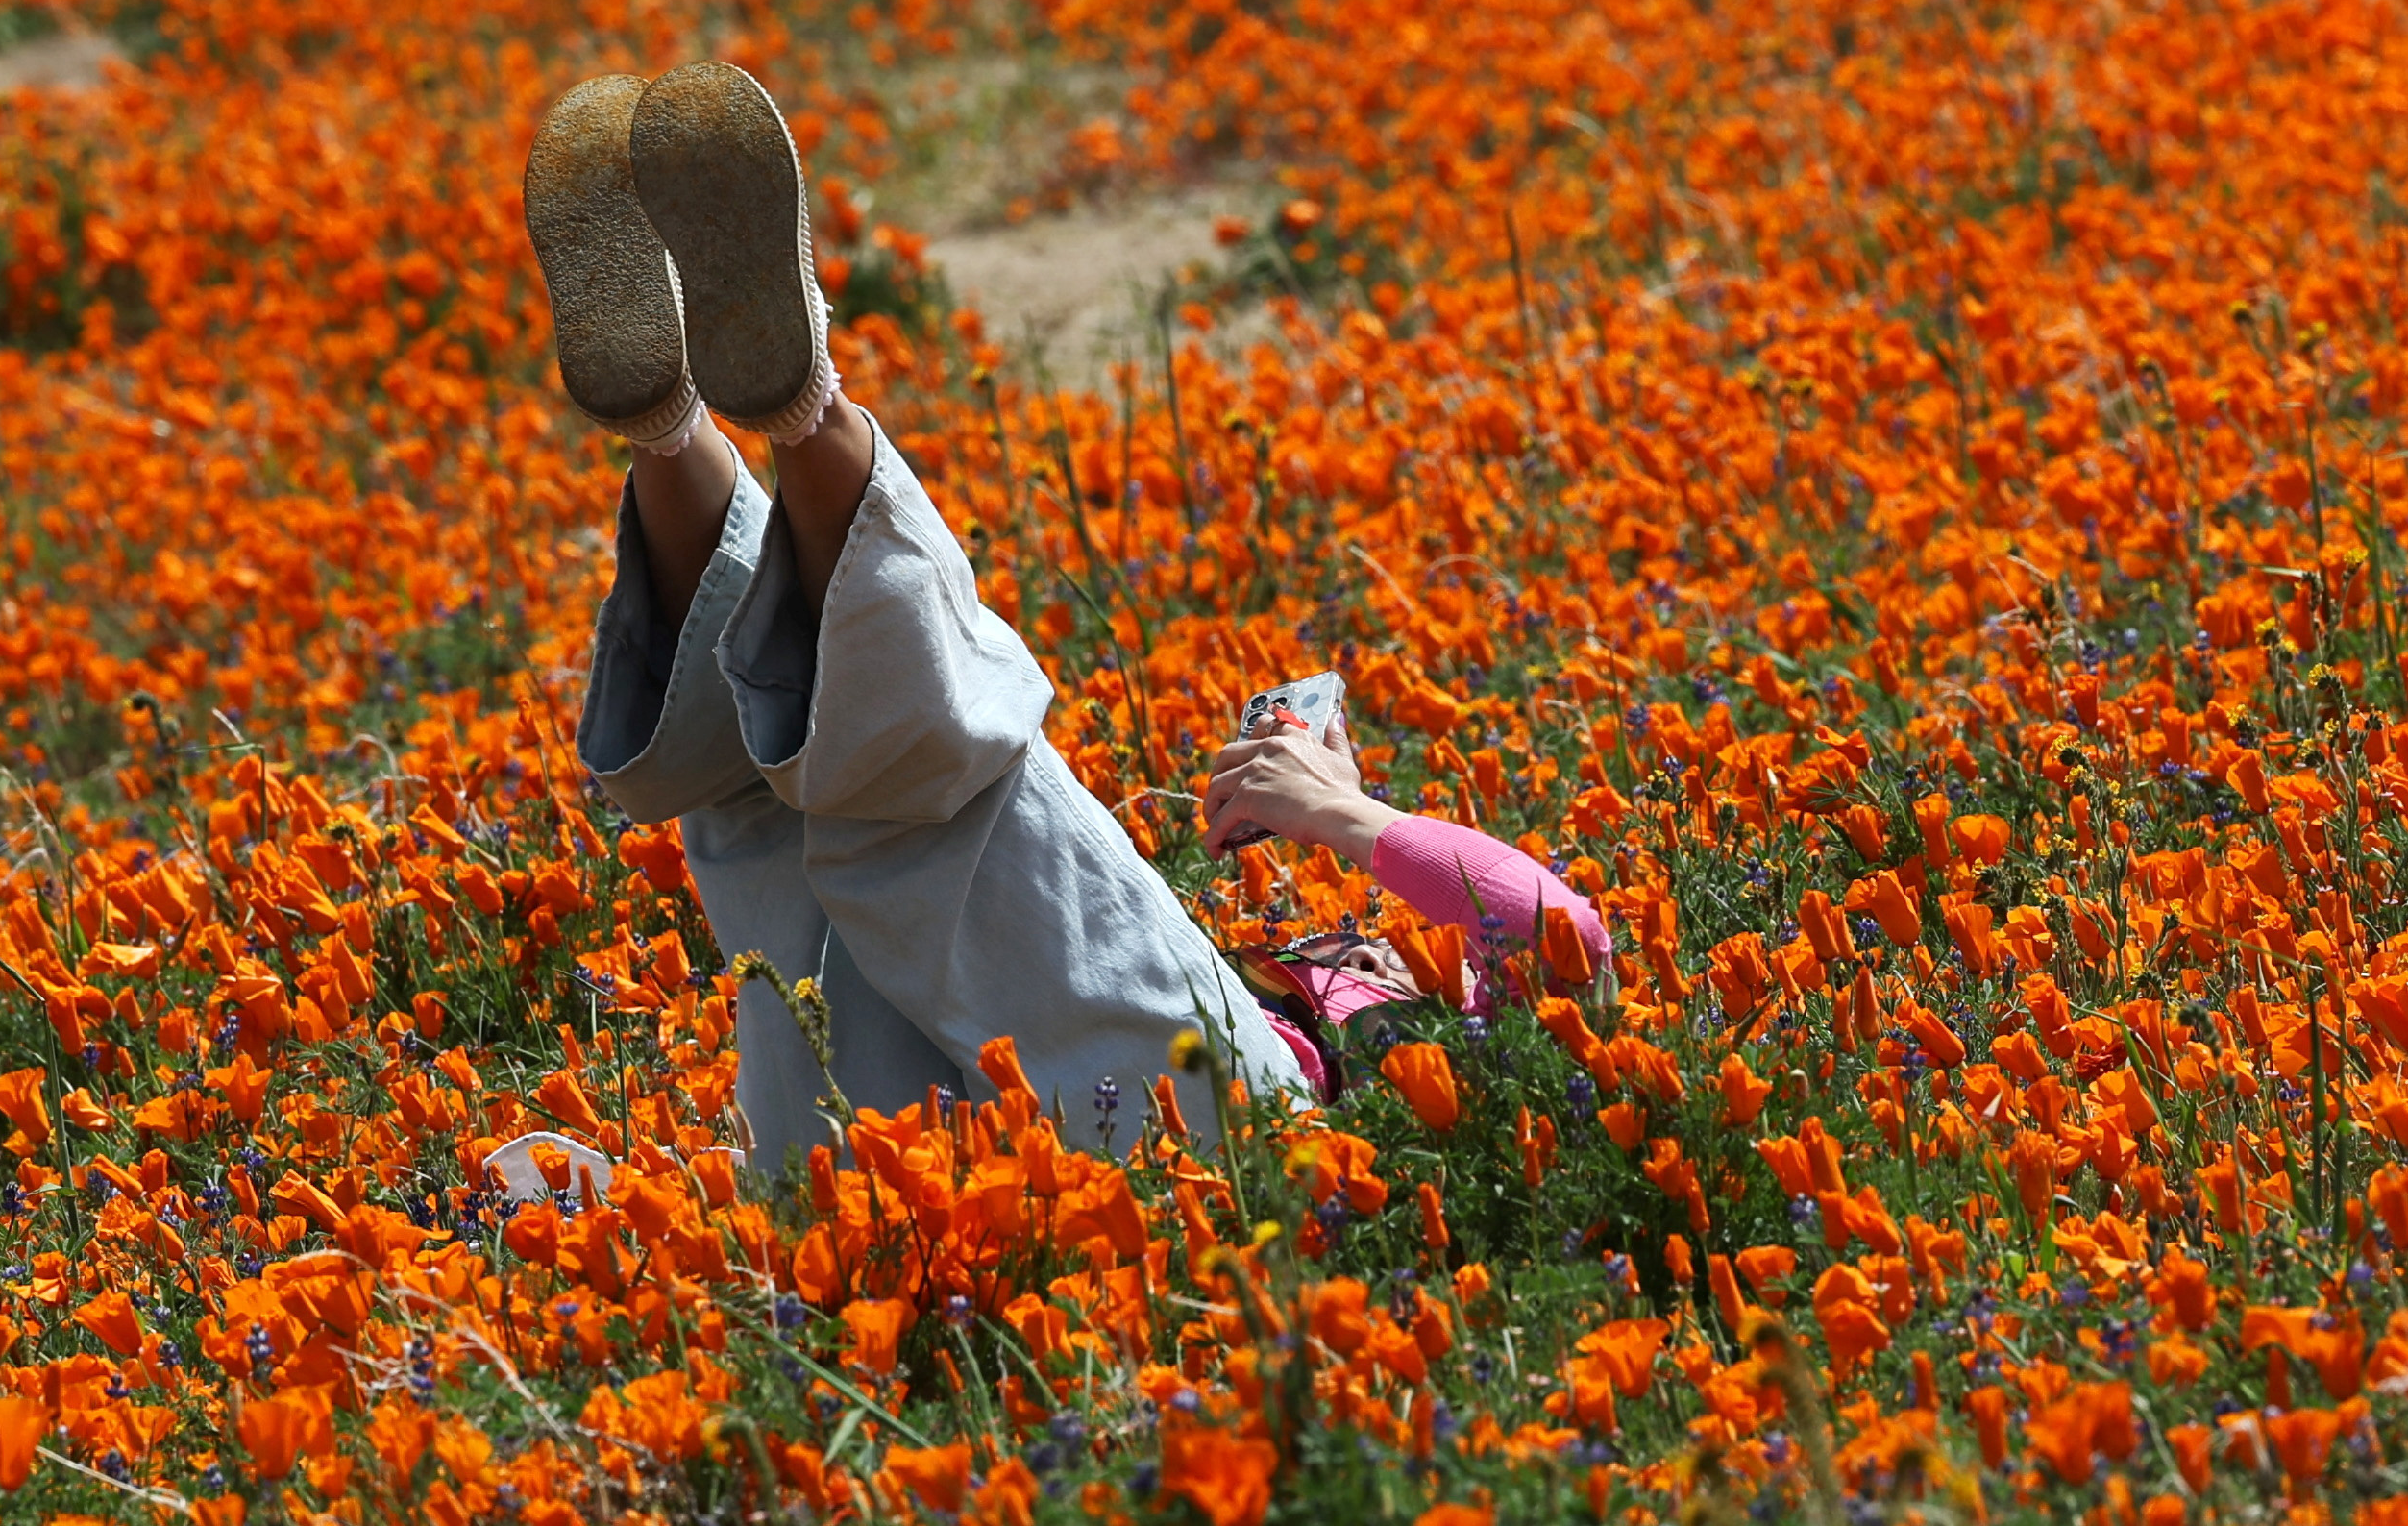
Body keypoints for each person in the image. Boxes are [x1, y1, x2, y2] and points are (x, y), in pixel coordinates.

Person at [531, 62, 1607, 1169]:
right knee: (772, 825)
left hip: (1236, 1134)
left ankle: (771, 411)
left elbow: (1564, 938)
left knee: (949, 806)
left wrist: (1346, 815)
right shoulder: (1407, 1015)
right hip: (980, 1172)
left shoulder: (1496, 1053)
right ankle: (684, 420)